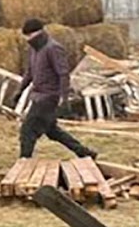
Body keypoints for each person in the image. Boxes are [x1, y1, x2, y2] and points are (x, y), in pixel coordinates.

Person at [18, 18, 97, 160]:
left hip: (48, 97)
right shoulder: (34, 50)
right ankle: (85, 153)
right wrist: (20, 90)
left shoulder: (53, 48)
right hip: (38, 96)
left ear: (39, 33)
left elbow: (63, 73)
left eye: (29, 36)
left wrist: (64, 98)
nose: (27, 40)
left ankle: (24, 162)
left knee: (27, 131)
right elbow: (30, 72)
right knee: (53, 131)